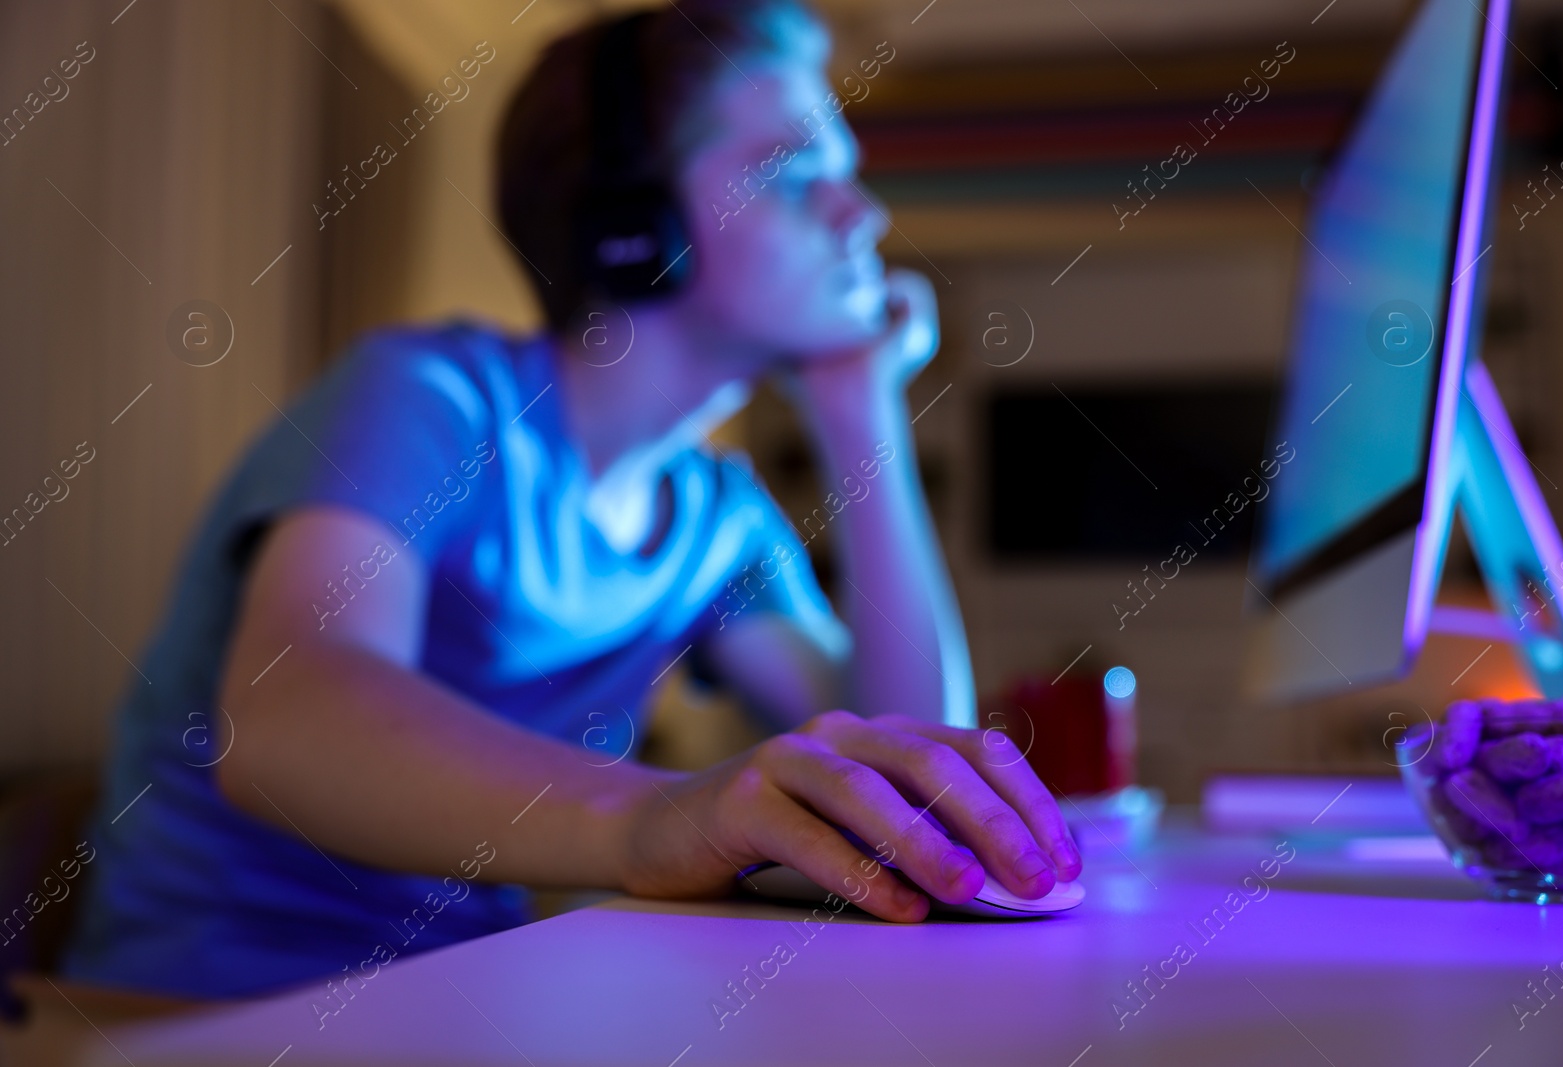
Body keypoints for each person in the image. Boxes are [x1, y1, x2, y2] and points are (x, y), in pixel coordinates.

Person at [61, 0, 1081, 999]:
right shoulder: (436, 398)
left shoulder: (718, 519)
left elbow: (906, 785)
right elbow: (285, 716)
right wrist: (654, 817)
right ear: (633, 223)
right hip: (215, 1007)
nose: (863, 214)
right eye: (794, 168)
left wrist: (862, 409)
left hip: (467, 994)